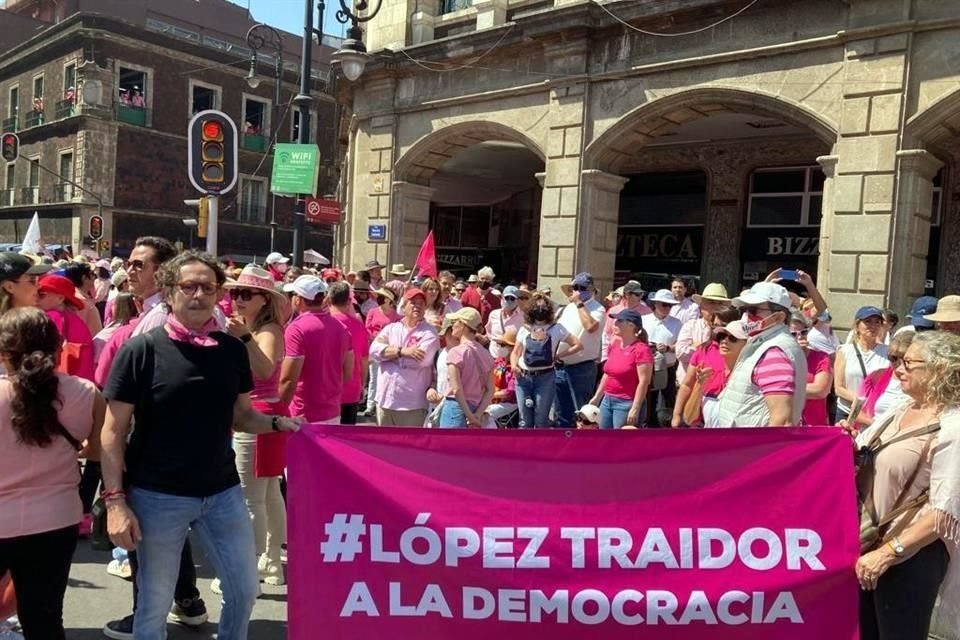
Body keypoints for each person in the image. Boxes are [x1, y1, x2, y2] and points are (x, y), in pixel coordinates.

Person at [100, 251, 300, 640]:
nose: (198, 294)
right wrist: (115, 501)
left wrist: (277, 423)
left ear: (217, 294)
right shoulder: (141, 350)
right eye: (188, 286)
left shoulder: (230, 350)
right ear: (170, 291)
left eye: (208, 287)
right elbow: (111, 431)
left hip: (222, 493)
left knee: (244, 590)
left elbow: (242, 416)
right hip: (157, 496)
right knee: (153, 605)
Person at [0, 308, 103, 640]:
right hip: (56, 520)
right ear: (59, 346)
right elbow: (97, 451)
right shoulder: (86, 393)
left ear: (3, 352)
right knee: (43, 619)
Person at [854, 331, 960, 639]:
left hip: (909, 556)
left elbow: (946, 512)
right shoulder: (901, 409)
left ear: (938, 369)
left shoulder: (953, 427)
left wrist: (889, 553)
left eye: (908, 362)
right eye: (898, 360)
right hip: (867, 546)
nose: (898, 368)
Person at [222, 265, 289, 589]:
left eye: (245, 294)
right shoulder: (257, 327)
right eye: (235, 293)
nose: (237, 299)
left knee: (253, 497)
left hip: (260, 414)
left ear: (264, 299)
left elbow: (264, 370)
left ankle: (251, 571)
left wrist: (243, 338)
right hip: (263, 413)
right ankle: (271, 563)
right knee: (269, 492)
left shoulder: (269, 330)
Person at [714, 282, 807, 427]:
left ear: (779, 317)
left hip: (754, 447)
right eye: (743, 310)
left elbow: (781, 421)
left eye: (753, 310)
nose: (746, 316)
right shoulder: (764, 343)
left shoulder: (774, 351)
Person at [280, 275, 352, 424]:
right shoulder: (342, 328)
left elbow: (288, 380)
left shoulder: (296, 329)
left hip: (301, 416)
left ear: (298, 299)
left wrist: (278, 413)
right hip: (332, 413)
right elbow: (347, 373)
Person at [369, 288, 440, 426]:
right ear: (404, 306)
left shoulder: (429, 333)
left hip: (412, 404)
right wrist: (402, 351)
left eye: (421, 303)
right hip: (385, 401)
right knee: (384, 446)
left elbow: (419, 361)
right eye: (413, 302)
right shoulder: (391, 328)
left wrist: (387, 354)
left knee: (410, 446)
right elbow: (373, 351)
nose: (417, 306)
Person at [511, 292, 581, 429]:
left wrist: (558, 356)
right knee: (524, 420)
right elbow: (515, 352)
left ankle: (539, 448)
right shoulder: (524, 329)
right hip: (523, 377)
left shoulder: (557, 328)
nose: (540, 310)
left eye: (543, 307)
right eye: (537, 307)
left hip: (545, 377)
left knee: (541, 419)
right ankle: (524, 449)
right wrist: (513, 365)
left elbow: (577, 344)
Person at [671, 307, 741, 427]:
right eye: (714, 326)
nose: (717, 331)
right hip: (700, 416)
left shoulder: (742, 350)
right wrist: (677, 415)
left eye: (722, 326)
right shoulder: (704, 350)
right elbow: (687, 384)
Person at [554, 273, 606, 428]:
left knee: (583, 413)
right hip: (560, 366)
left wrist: (579, 304)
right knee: (561, 412)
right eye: (574, 288)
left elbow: (590, 327)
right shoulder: (566, 309)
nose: (577, 291)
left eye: (581, 288)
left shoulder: (598, 309)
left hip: (582, 367)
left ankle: (583, 448)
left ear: (591, 289)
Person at [589, 309, 653, 429]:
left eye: (619, 321)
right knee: (604, 439)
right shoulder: (615, 345)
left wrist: (635, 408)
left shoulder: (641, 350)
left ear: (631, 325)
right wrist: (597, 397)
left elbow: (644, 382)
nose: (615, 324)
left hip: (626, 403)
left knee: (622, 443)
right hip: (607, 400)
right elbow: (608, 374)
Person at [438, 307, 495, 428]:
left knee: (446, 446)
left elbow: (456, 389)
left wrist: (468, 415)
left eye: (455, 322)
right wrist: (477, 415)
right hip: (477, 408)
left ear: (463, 325)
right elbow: (490, 390)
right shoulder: (487, 355)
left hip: (455, 408)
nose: (452, 326)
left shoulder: (456, 352)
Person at [37, 274, 95, 382]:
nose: (36, 299)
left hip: (61, 384)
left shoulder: (53, 317)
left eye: (41, 295)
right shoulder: (73, 318)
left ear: (60, 298)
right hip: (80, 386)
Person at [835, 306, 889, 421]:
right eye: (868, 322)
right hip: (847, 412)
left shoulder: (887, 352)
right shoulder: (844, 351)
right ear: (857, 325)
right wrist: (860, 400)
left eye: (877, 322)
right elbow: (838, 388)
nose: (873, 326)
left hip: (874, 414)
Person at [329, 281, 370, 425]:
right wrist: (362, 385)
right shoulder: (358, 326)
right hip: (351, 390)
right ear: (349, 301)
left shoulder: (324, 324)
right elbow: (364, 359)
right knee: (345, 441)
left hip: (327, 392)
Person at [854, 332, 914, 429]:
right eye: (893, 358)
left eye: (905, 359)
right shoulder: (876, 376)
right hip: (872, 436)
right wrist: (879, 427)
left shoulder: (922, 384)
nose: (898, 364)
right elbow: (856, 412)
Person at [642, 289, 683, 427]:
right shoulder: (644, 320)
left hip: (668, 368)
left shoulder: (677, 323)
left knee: (666, 405)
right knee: (647, 403)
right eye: (664, 304)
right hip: (647, 368)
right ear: (655, 304)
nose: (667, 308)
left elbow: (681, 346)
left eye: (669, 305)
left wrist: (667, 348)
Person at [676, 283, 730, 385]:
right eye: (711, 302)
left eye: (720, 303)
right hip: (689, 385)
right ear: (701, 305)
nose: (715, 307)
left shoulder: (730, 330)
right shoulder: (691, 326)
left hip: (718, 387)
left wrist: (696, 346)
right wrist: (701, 348)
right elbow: (680, 353)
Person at [700, 320, 750, 427]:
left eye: (733, 338)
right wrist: (698, 387)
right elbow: (690, 419)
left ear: (747, 345)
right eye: (722, 336)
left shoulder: (750, 379)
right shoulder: (710, 374)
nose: (724, 341)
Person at [361, 287, 401, 418]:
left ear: (389, 300)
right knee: (373, 378)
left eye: (382, 296)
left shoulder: (396, 316)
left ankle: (381, 403)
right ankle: (370, 405)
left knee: (385, 376)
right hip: (374, 347)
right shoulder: (373, 311)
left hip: (388, 350)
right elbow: (367, 328)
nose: (379, 298)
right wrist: (375, 337)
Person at [790, 312, 833, 426]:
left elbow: (820, 391)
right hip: (788, 424)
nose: (799, 337)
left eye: (803, 332)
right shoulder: (780, 358)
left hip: (814, 425)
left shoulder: (821, 358)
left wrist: (784, 389)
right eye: (793, 334)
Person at [601, 281, 649, 362]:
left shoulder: (647, 311)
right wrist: (604, 356)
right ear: (627, 295)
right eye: (637, 294)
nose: (640, 297)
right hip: (614, 354)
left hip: (636, 355)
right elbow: (606, 334)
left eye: (641, 294)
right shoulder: (613, 310)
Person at [484, 328, 518, 428]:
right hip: (492, 398)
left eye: (503, 345)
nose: (499, 347)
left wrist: (490, 395)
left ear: (512, 348)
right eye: (498, 344)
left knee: (485, 414)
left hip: (509, 402)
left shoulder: (516, 366)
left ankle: (492, 440)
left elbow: (510, 392)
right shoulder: (497, 362)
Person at [62, 261, 103, 336]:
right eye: (92, 274)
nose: (95, 277)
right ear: (84, 278)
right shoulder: (79, 301)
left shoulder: (77, 297)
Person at [94, 293, 137, 361]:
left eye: (114, 304)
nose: (111, 308)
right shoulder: (142, 323)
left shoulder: (113, 332)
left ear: (120, 307)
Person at [485, 285, 525, 356]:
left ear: (517, 300)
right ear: (502, 298)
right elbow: (489, 331)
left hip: (512, 359)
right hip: (494, 356)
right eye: (507, 298)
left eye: (512, 298)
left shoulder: (523, 317)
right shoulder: (494, 314)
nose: (509, 301)